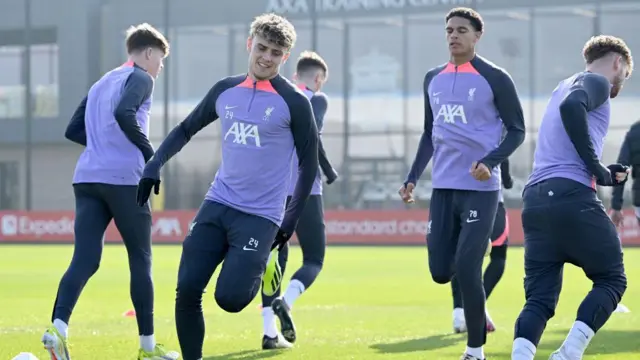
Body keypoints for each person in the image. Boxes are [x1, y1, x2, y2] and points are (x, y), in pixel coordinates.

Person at [135, 13, 319, 360]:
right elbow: (185, 128)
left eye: (276, 52)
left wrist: (290, 220)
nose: (266, 57)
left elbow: (309, 163)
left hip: (261, 215)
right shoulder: (225, 90)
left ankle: (267, 261)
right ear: (249, 44)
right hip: (217, 203)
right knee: (187, 290)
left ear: (286, 56)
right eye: (262, 48)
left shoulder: (295, 101)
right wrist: (154, 164)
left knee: (230, 300)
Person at [42, 23, 179, 360]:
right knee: (141, 261)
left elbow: (74, 129)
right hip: (125, 181)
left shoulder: (102, 82)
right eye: (160, 60)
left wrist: (103, 148)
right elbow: (124, 113)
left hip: (87, 178)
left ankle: (57, 330)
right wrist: (151, 155)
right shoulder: (141, 78)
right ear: (149, 53)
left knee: (85, 259)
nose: (160, 68)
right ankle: (148, 349)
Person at [397, 7, 525, 360]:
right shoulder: (432, 78)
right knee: (441, 271)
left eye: (462, 30)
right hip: (442, 189)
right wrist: (412, 177)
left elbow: (517, 131)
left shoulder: (496, 77)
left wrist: (490, 163)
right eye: (449, 30)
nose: (454, 35)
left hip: (481, 189)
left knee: (469, 267)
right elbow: (429, 133)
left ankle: (474, 351)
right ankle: (471, 288)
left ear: (477, 36)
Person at [511, 35, 633, 360]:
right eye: (625, 77)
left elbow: (563, 143)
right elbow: (572, 109)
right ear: (618, 63)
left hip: (536, 200)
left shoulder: (561, 86)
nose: (619, 86)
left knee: (538, 300)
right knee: (611, 280)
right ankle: (568, 354)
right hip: (571, 197)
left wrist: (602, 170)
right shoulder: (597, 81)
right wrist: (595, 167)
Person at [260, 50, 339, 350]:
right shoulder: (317, 99)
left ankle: (269, 333)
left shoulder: (277, 96)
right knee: (314, 259)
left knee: (273, 261)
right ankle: (287, 301)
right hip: (305, 190)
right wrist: (329, 171)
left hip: (274, 190)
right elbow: (312, 134)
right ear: (318, 80)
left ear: (294, 75)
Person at [451, 158, 512, 334]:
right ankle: (477, 304)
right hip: (491, 203)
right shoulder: (496, 139)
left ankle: (459, 313)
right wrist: (508, 180)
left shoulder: (454, 136)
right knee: (498, 257)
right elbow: (506, 180)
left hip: (459, 202)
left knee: (461, 257)